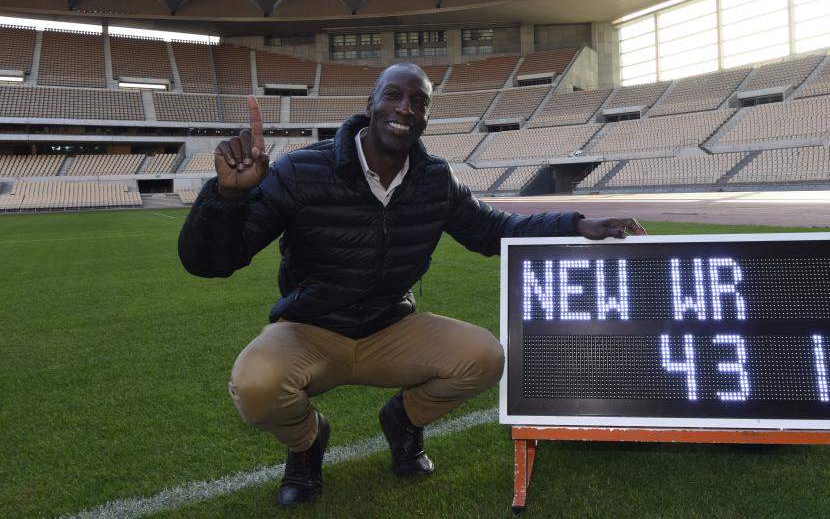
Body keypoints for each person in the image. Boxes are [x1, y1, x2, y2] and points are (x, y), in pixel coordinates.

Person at [178, 62, 645, 509]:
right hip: (311, 328)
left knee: (485, 356)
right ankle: (306, 444)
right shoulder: (301, 172)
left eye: (418, 102)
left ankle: (403, 420)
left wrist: (577, 223)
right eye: (394, 95)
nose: (405, 108)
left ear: (425, 117)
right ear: (371, 104)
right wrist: (227, 197)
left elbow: (492, 230)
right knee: (255, 385)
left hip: (389, 326)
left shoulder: (435, 179)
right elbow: (214, 262)